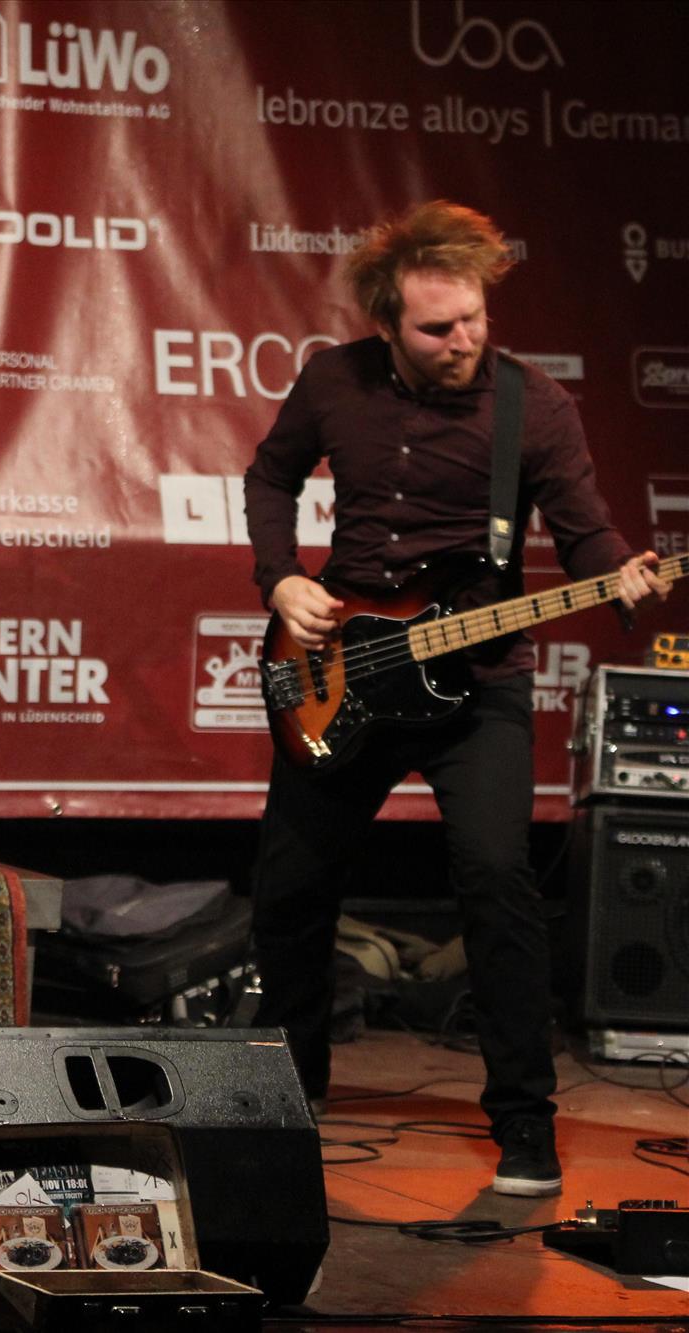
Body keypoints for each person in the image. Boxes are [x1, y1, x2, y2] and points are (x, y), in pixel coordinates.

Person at [243, 200, 669, 1196]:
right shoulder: (333, 379)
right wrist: (280, 579)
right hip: (344, 669)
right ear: (387, 325)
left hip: (475, 679)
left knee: (496, 880)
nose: (463, 340)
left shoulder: (533, 405)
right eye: (437, 328)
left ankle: (524, 1122)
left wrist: (621, 574)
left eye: (474, 317)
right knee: (289, 888)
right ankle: (287, 1091)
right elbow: (269, 477)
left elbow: (585, 533)